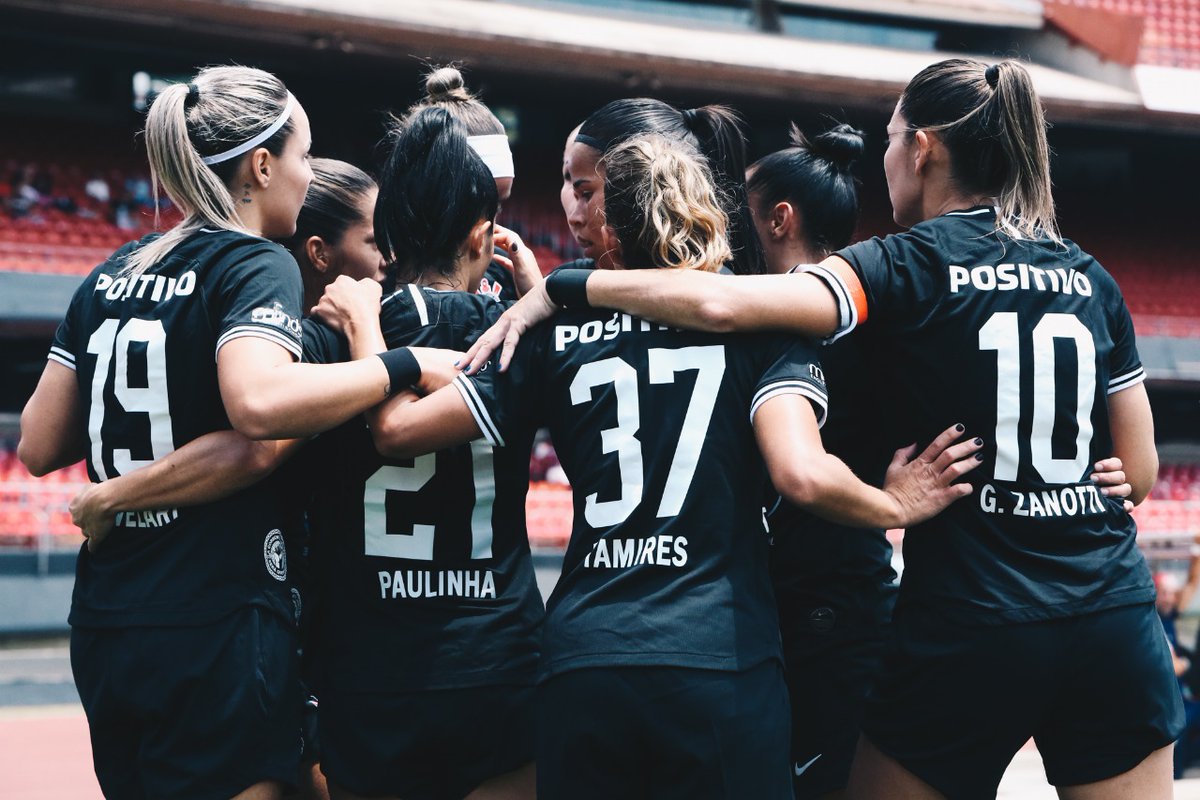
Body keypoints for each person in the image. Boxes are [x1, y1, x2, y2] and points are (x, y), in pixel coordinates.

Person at [463, 58, 1178, 799]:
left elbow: (722, 307)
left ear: (924, 148)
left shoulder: (908, 262)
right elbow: (1141, 468)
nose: (885, 159)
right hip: (1112, 614)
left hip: (977, 615)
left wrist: (563, 285)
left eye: (892, 139)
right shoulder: (1091, 274)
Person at [321, 132, 983, 800]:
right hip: (720, 662)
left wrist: (383, 336)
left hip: (585, 661)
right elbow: (803, 475)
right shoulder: (766, 332)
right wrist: (894, 504)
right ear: (705, 214)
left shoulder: (554, 330)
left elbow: (399, 431)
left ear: (611, 229)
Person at [17, 66, 417, 800]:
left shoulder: (110, 271)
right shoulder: (254, 261)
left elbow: (39, 444)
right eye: (302, 155)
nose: (306, 174)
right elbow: (258, 416)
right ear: (262, 166)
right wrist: (399, 364)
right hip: (212, 612)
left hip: (107, 617)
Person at [302, 106, 545, 800]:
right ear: (481, 234)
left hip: (369, 668)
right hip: (496, 657)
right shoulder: (519, 339)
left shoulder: (337, 331)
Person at [746, 121, 899, 800]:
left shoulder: (793, 327)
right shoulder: (878, 320)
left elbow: (801, 472)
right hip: (841, 600)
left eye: (739, 210)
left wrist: (900, 504)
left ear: (779, 219)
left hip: (822, 609)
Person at [560, 97, 766, 274]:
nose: (574, 217)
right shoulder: (569, 276)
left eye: (586, 193)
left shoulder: (728, 294)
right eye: (566, 179)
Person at [398, 65, 523, 301]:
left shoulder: (507, 270)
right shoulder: (378, 274)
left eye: (497, 208)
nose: (489, 227)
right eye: (477, 206)